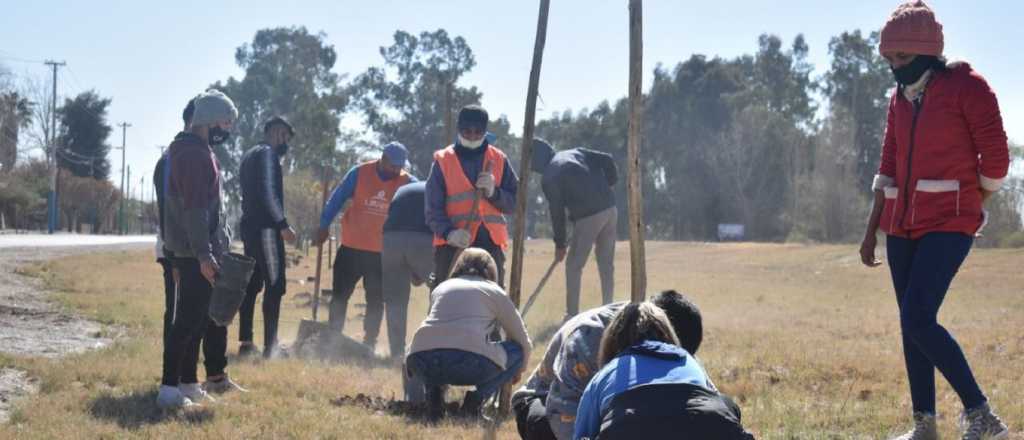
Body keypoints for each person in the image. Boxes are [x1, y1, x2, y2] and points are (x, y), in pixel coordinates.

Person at [858, 2, 1011, 439]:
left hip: (950, 223)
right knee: (911, 324)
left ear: (926, 51)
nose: (895, 68)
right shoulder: (897, 100)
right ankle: (924, 425)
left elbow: (996, 157)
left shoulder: (968, 87)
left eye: (901, 59)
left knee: (919, 316)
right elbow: (887, 162)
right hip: (900, 226)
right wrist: (872, 230)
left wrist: (973, 201)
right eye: (889, 60)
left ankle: (981, 416)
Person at [512, 290, 704, 440]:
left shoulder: (674, 350)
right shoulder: (588, 339)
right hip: (551, 402)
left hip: (609, 410)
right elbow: (563, 410)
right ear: (659, 329)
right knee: (544, 428)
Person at [158, 90, 245, 409]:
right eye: (226, 121)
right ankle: (168, 389)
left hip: (197, 251)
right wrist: (205, 255)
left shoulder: (193, 150)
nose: (228, 129)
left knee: (197, 321)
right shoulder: (193, 155)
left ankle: (188, 383)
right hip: (192, 253)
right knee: (185, 322)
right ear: (209, 121)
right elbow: (194, 210)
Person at [573, 302, 751, 440]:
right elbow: (716, 405)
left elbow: (581, 434)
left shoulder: (606, 374)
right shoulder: (689, 362)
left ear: (612, 341)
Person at [406, 248, 532, 421]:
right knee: (517, 352)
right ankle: (474, 403)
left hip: (420, 359)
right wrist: (517, 369)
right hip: (468, 362)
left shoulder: (441, 288)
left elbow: (435, 331)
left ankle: (434, 399)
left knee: (434, 346)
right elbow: (523, 341)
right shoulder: (495, 292)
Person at [315, 142, 414, 349]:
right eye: (393, 165)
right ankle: (333, 338)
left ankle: (369, 343)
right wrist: (324, 225)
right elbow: (336, 199)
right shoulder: (359, 173)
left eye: (400, 166)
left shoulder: (407, 182)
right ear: (383, 159)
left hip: (381, 254)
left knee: (376, 301)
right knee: (340, 296)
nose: (396, 170)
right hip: (351, 247)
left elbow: (422, 200)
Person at [426, 105, 518, 287]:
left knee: (493, 301)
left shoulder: (499, 159)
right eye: (467, 131)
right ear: (459, 129)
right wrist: (449, 233)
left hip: (491, 245)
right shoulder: (443, 161)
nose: (472, 136)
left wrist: (494, 192)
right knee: (445, 298)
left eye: (478, 132)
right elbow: (432, 210)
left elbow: (515, 204)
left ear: (485, 131)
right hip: (452, 245)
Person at [531, 138, 618, 319]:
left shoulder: (549, 176)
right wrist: (609, 185)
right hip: (610, 209)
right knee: (606, 264)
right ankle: (610, 310)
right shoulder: (576, 151)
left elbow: (557, 213)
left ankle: (571, 315)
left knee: (573, 266)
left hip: (588, 216)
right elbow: (608, 159)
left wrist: (560, 244)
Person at [238, 116, 297, 359]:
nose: (285, 142)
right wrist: (282, 225)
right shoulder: (267, 155)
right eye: (284, 135)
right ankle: (270, 347)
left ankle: (246, 342)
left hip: (250, 227)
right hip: (266, 230)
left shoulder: (250, 154)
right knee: (275, 285)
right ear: (274, 132)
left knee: (252, 285)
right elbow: (269, 193)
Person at [381, 181, 433, 360]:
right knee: (441, 291)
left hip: (390, 240)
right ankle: (434, 346)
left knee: (395, 299)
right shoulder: (441, 187)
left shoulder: (402, 189)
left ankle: (396, 353)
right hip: (423, 239)